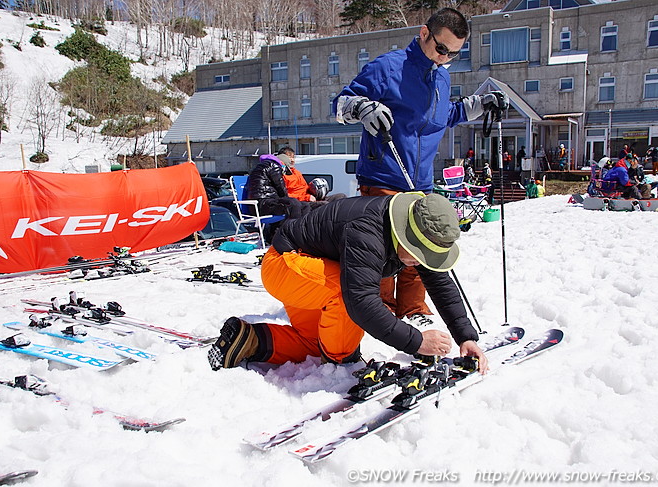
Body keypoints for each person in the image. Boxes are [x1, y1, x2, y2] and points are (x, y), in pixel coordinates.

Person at [332, 7, 508, 326]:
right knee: (386, 248)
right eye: (441, 48)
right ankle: (381, 309)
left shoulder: (442, 76)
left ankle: (413, 309)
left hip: (421, 182)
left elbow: (443, 118)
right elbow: (340, 104)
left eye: (452, 54)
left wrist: (479, 105)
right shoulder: (388, 67)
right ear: (424, 33)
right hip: (384, 173)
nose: (443, 58)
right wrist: (360, 106)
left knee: (419, 246)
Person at [207, 192, 489, 374]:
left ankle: (248, 340)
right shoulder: (368, 231)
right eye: (419, 254)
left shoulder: (410, 228)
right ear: (406, 235)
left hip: (310, 272)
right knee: (347, 299)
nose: (420, 262)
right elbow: (361, 302)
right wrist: (417, 342)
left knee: (318, 343)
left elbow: (439, 282)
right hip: (285, 265)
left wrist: (466, 336)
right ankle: (342, 364)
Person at [246, 153, 311, 221]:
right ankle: (294, 228)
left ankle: (301, 227)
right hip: (263, 204)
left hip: (261, 204)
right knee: (293, 204)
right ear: (282, 163)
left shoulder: (263, 166)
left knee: (304, 205)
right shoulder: (273, 166)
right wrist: (288, 199)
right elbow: (281, 188)